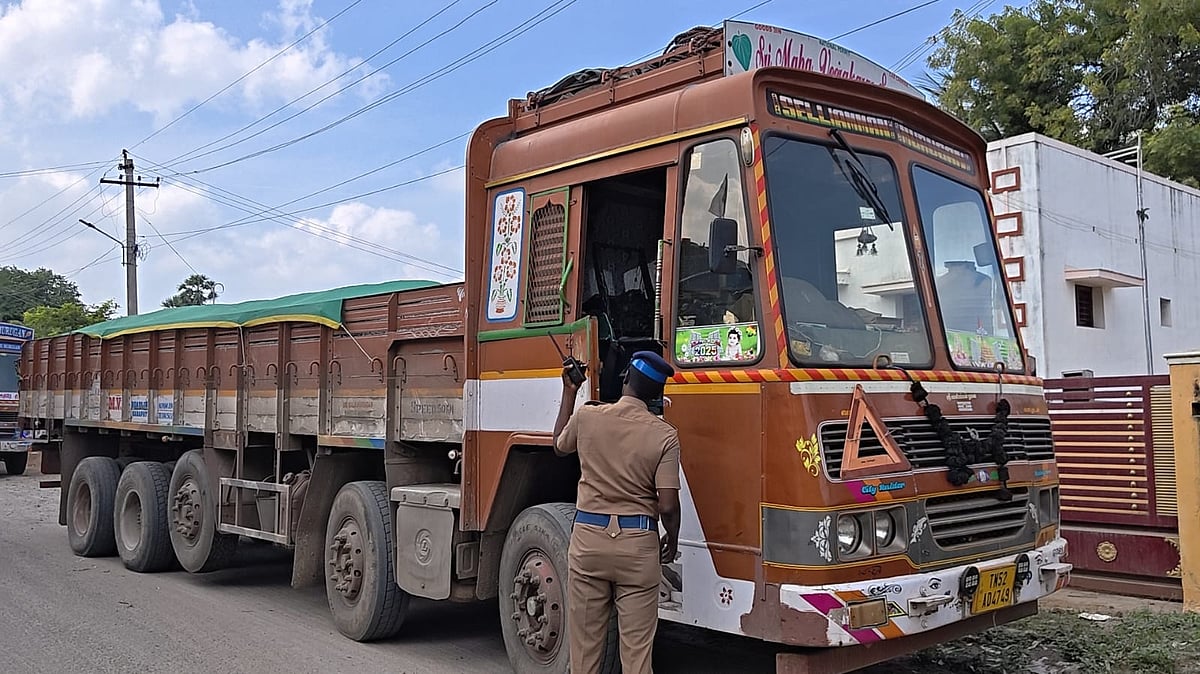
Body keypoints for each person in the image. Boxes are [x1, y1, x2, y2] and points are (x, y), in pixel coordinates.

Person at [553, 351, 682, 674]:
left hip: (588, 543)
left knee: (584, 656)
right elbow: (667, 505)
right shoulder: (664, 436)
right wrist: (673, 539)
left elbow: (559, 445)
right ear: (656, 394)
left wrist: (569, 392)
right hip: (638, 548)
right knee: (637, 659)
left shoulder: (588, 417)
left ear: (625, 379)